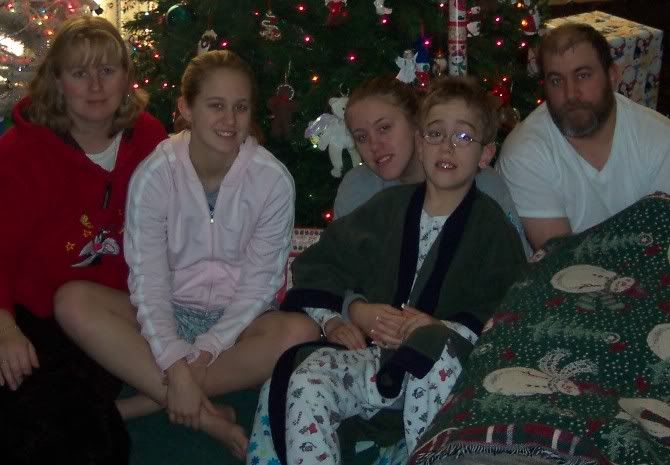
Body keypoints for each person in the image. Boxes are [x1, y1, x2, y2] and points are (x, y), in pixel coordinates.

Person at [54, 50, 319, 460]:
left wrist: (205, 351)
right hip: (171, 309)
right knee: (72, 301)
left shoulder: (272, 181)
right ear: (186, 109)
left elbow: (261, 284)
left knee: (301, 332)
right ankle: (205, 415)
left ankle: (147, 401)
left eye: (240, 107)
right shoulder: (156, 174)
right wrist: (174, 360)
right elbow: (148, 280)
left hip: (240, 324)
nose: (229, 120)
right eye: (215, 106)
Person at [248, 77, 526, 465]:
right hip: (378, 359)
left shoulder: (491, 226)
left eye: (463, 136)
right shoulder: (387, 208)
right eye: (436, 134)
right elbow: (321, 263)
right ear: (420, 142)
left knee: (434, 350)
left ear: (485, 154)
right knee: (306, 379)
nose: (447, 146)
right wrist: (335, 318)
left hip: (447, 369)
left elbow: (510, 305)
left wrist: (438, 327)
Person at [0, 15, 167, 464]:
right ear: (58, 81)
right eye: (79, 73)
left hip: (109, 314)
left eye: (106, 71)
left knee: (77, 425)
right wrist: (4, 328)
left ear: (126, 78)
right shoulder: (19, 151)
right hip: (31, 313)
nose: (95, 86)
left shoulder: (151, 139)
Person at [497, 23, 670, 252]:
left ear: (612, 75)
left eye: (583, 75)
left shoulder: (659, 138)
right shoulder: (524, 154)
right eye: (556, 80)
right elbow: (560, 262)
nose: (570, 94)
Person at [334, 74, 531, 257]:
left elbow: (518, 263)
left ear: (415, 124)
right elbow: (338, 265)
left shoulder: (482, 184)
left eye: (384, 128)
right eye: (361, 137)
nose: (374, 146)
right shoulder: (357, 188)